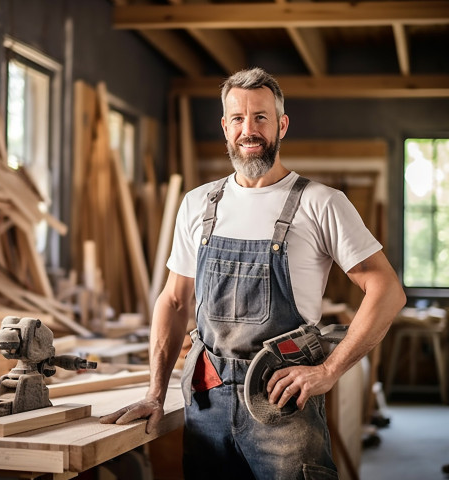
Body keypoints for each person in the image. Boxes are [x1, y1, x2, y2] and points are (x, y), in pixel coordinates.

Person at [100, 67, 406, 479]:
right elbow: (174, 301)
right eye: (239, 119)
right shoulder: (198, 204)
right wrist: (156, 393)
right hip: (206, 401)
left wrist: (328, 371)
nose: (250, 129)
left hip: (281, 402)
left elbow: (387, 289)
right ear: (226, 127)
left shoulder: (320, 203)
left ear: (281, 125)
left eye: (261, 117)